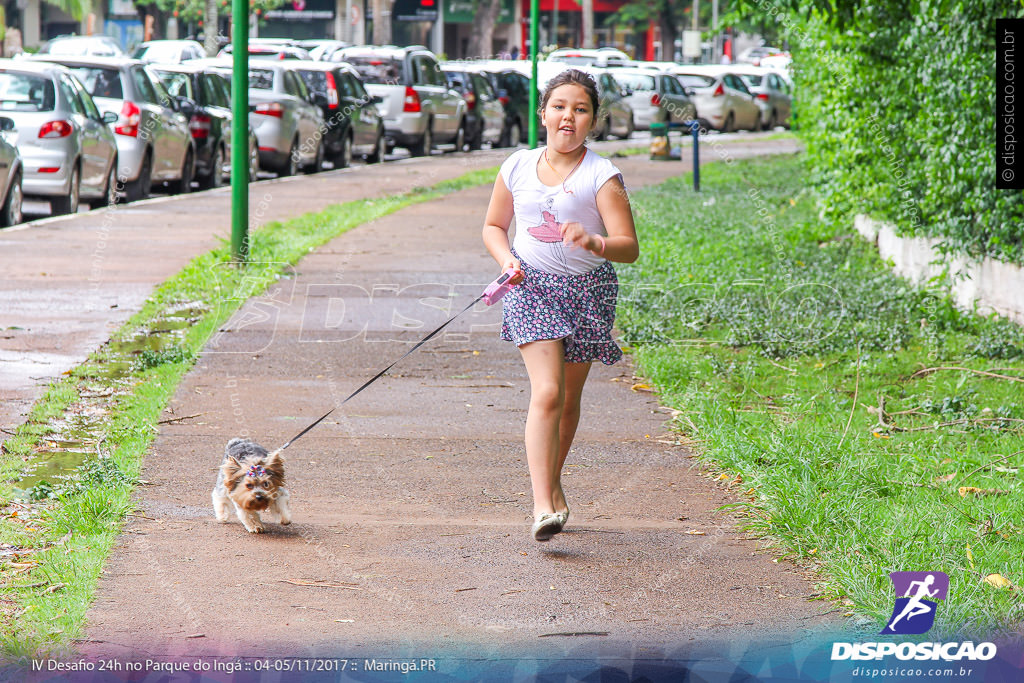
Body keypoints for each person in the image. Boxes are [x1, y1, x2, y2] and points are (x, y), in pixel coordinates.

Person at [481, 69, 639, 541]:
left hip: (588, 292)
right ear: (543, 113)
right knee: (547, 393)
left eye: (581, 108)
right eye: (559, 106)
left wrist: (595, 241)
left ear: (592, 119)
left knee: (568, 401)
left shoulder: (602, 175)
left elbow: (629, 246)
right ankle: (541, 504)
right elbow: (493, 226)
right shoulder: (516, 166)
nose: (568, 116)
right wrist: (507, 258)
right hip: (531, 288)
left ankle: (552, 483)